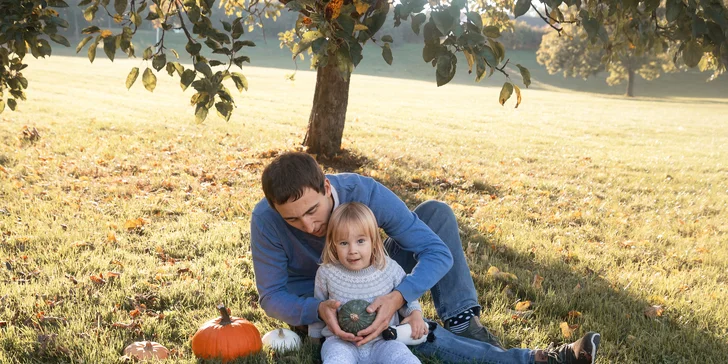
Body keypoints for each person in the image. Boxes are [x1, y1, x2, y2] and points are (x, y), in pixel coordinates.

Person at [251, 151, 601, 363]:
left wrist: (397, 296)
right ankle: (536, 360)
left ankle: (464, 322)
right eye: (293, 219)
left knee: (436, 212)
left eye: (313, 210)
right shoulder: (265, 219)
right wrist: (319, 311)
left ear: (327, 187)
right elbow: (272, 296)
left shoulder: (364, 192)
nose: (309, 225)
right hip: (328, 306)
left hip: (373, 276)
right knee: (411, 333)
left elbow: (436, 252)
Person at [309, 202, 425, 363]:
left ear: (373, 240)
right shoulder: (327, 273)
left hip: (384, 341)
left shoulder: (388, 268)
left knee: (404, 358)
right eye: (343, 243)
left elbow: (407, 296)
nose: (353, 250)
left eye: (360, 241)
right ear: (333, 244)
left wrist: (415, 314)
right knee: (336, 359)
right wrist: (314, 338)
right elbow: (319, 308)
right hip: (341, 342)